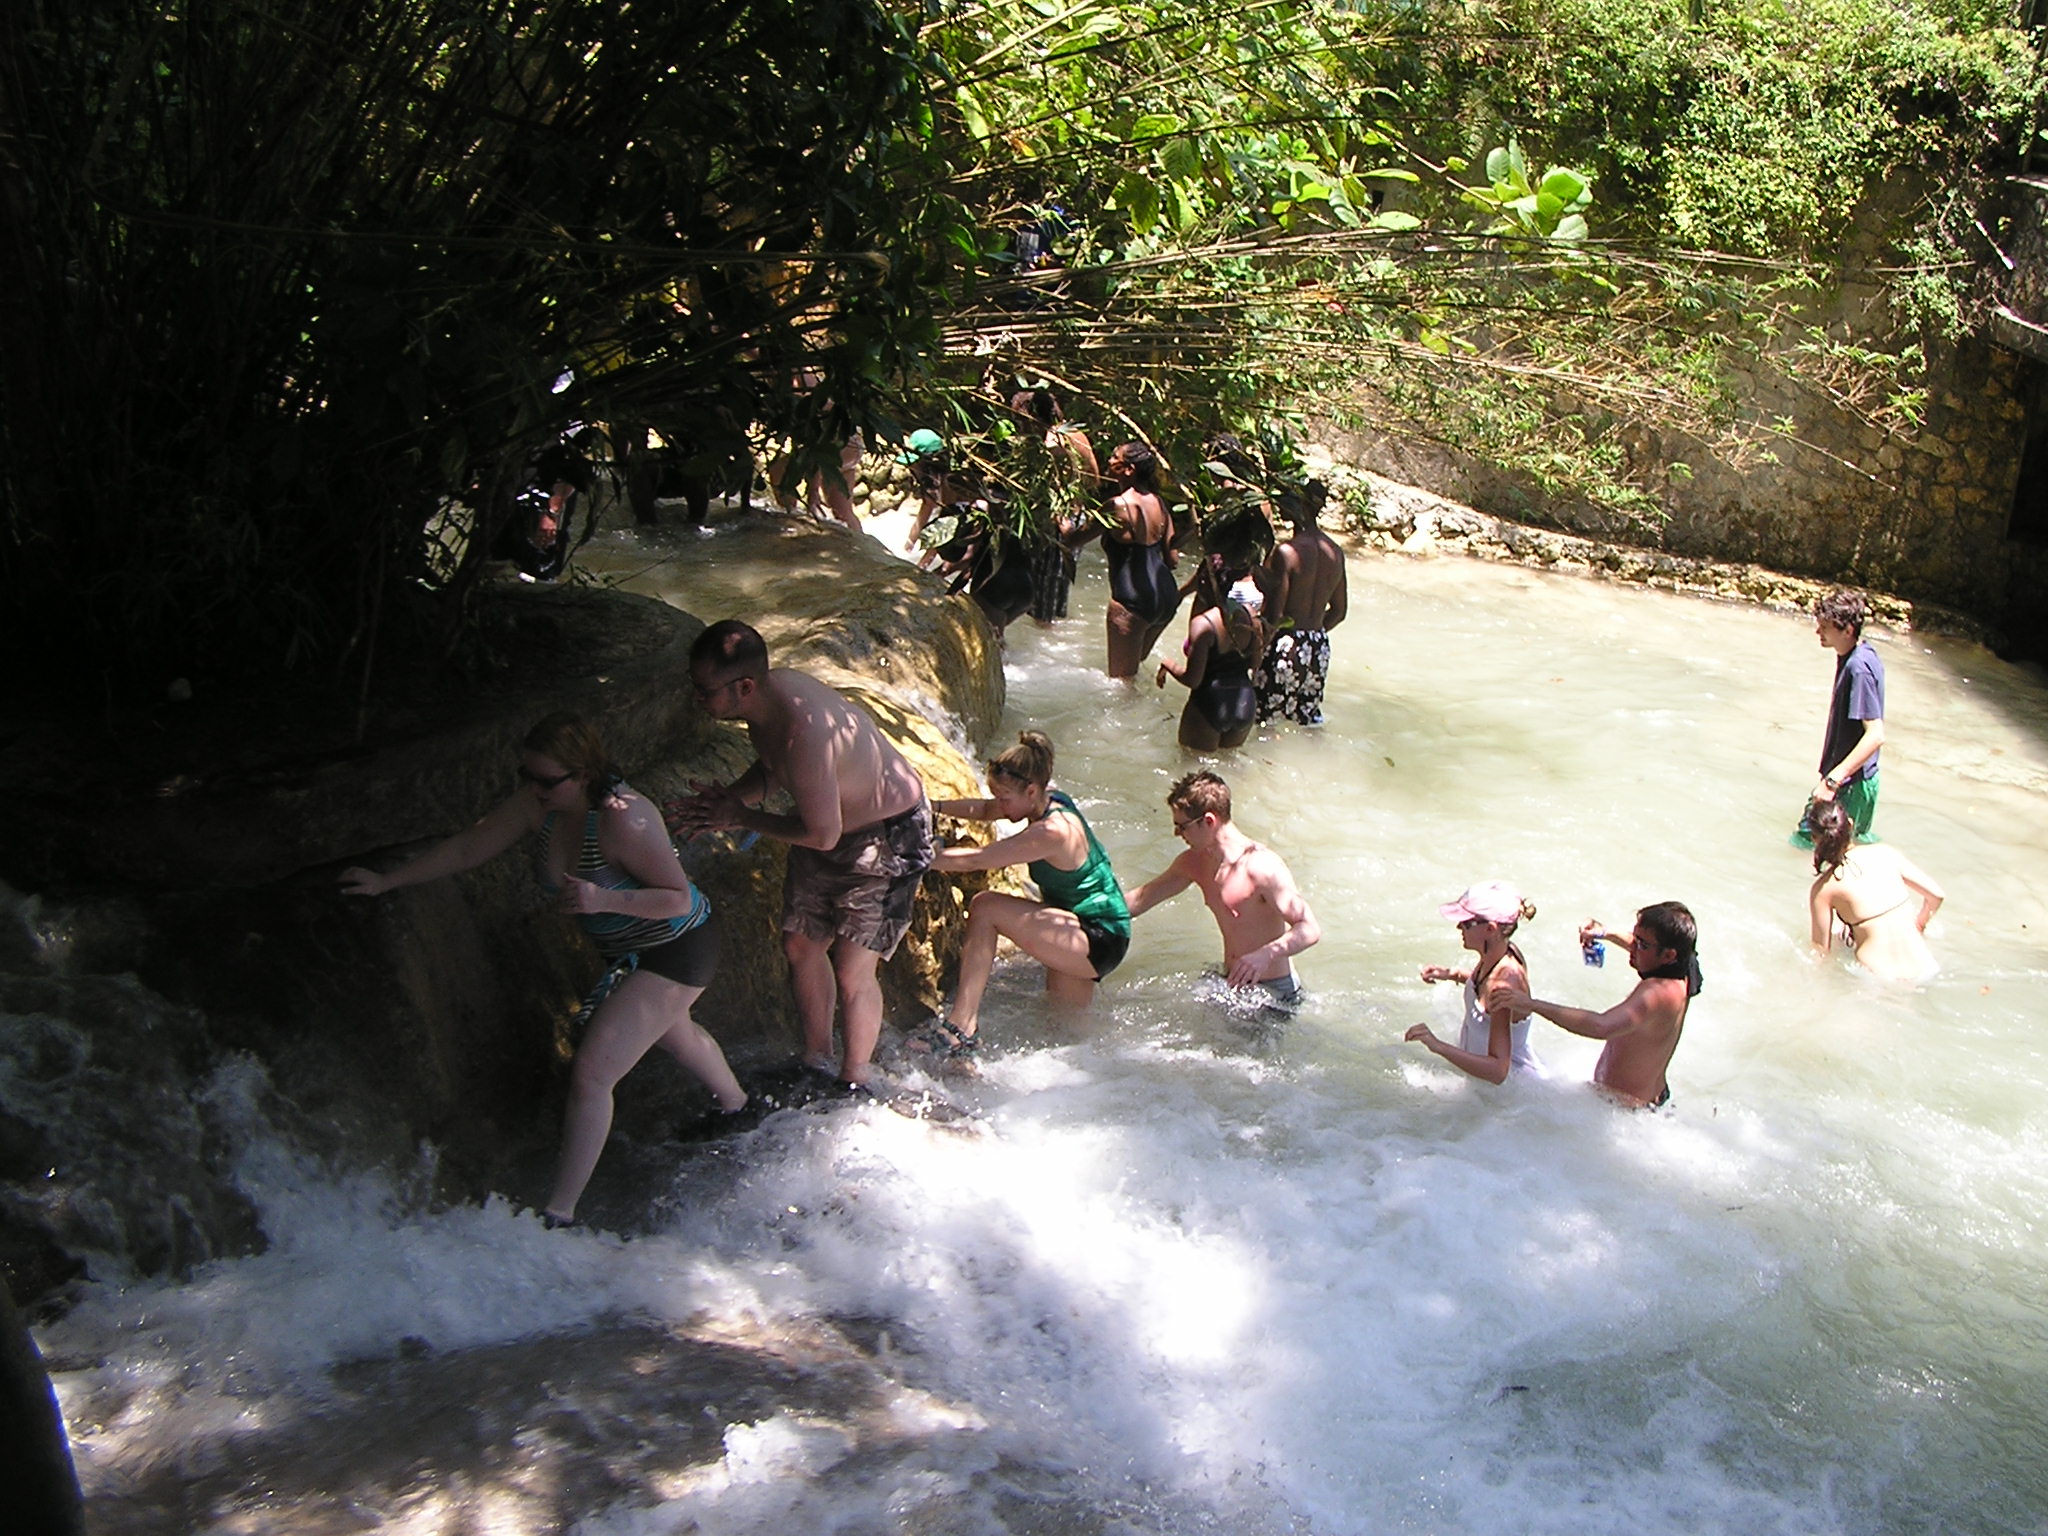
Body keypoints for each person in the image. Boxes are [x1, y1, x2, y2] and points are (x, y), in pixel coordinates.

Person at [339, 713, 745, 1228]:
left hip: (677, 946)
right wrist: (386, 881)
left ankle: (559, 1214)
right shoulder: (541, 802)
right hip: (630, 952)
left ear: (583, 774)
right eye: (525, 776)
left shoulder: (626, 817)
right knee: (674, 1035)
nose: (533, 788)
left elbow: (676, 898)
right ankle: (737, 1106)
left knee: (594, 1073)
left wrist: (599, 898)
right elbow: (469, 846)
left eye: (546, 780)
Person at [671, 620, 933, 1090]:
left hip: (888, 833)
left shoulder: (804, 729)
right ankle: (816, 1059)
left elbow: (821, 833)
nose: (695, 698)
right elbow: (776, 768)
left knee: (853, 968)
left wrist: (741, 818)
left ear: (745, 686)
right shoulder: (770, 702)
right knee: (801, 945)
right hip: (829, 824)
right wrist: (730, 801)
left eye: (703, 689)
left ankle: (853, 1080)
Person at [917, 731, 1132, 1059]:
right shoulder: (1049, 800)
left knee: (985, 907)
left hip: (1096, 935)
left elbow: (980, 859)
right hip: (1094, 930)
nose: (999, 804)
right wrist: (934, 806)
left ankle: (961, 1028)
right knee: (1067, 1038)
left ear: (1031, 790)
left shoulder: (1051, 832)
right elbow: (987, 810)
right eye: (997, 795)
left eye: (1004, 797)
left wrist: (920, 859)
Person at [1124, 770, 1319, 1010]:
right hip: (1231, 982)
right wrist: (1085, 911)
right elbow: (1142, 899)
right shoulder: (1194, 862)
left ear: (1208, 821)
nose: (1177, 834)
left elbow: (1309, 928)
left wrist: (1266, 954)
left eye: (1182, 826)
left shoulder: (1263, 867)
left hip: (1274, 992)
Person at [1500, 902, 1700, 1109]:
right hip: (1647, 1100)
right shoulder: (1686, 967)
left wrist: (1531, 1004)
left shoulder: (1656, 993)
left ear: (1669, 956)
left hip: (1626, 1114)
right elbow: (1646, 944)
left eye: (1642, 945)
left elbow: (1601, 1026)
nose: (1632, 947)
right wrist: (1604, 932)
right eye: (1635, 938)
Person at [1405, 881, 1544, 1084]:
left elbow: (1498, 1071)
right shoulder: (1499, 952)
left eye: (1466, 922)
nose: (1458, 926)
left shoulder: (1505, 985)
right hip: (1485, 1088)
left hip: (1510, 1096)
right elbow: (1485, 987)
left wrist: (1438, 1046)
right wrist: (1454, 974)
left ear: (1490, 929)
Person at [1073, 441, 1180, 678]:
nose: (1109, 461)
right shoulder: (1160, 504)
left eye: (1114, 456)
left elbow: (1073, 541)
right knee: (1133, 673)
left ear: (1129, 469)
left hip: (1132, 602)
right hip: (1166, 598)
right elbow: (1173, 560)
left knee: (1121, 685)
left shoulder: (1116, 506)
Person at [1807, 800, 1944, 982]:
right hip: (1925, 967)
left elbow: (1821, 954)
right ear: (1849, 823)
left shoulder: (1824, 889)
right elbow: (1937, 895)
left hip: (1877, 978)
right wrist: (1920, 924)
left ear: (1815, 840)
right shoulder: (1886, 853)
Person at [1795, 588, 1885, 846]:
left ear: (1847, 630)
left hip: (1851, 784)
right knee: (1844, 849)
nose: (1818, 632)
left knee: (1807, 844)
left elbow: (1876, 735)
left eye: (1825, 627)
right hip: (1855, 781)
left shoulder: (1859, 669)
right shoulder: (1859, 655)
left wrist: (1832, 782)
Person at [1255, 480, 1348, 726]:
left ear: (1300, 506)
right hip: (1318, 647)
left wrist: (1256, 651)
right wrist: (1310, 636)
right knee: (1306, 722)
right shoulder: (1335, 552)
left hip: (1286, 643)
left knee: (1266, 723)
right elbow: (1339, 611)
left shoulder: (1287, 552)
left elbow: (1275, 615)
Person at [1006, 388, 1100, 625]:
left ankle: (1041, 643)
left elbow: (1053, 486)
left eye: (1020, 420)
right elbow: (1094, 480)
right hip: (1076, 515)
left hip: (1059, 521)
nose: (1020, 427)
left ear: (1033, 416)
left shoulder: (1052, 443)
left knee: (1043, 597)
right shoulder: (1076, 434)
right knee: (1056, 593)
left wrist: (1061, 518)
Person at [1156, 573, 1264, 750]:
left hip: (1210, 702)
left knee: (1192, 769)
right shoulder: (1250, 616)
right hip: (1244, 702)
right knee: (1228, 770)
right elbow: (1255, 663)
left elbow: (1193, 680)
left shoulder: (1203, 624)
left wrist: (1168, 665)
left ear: (1205, 583)